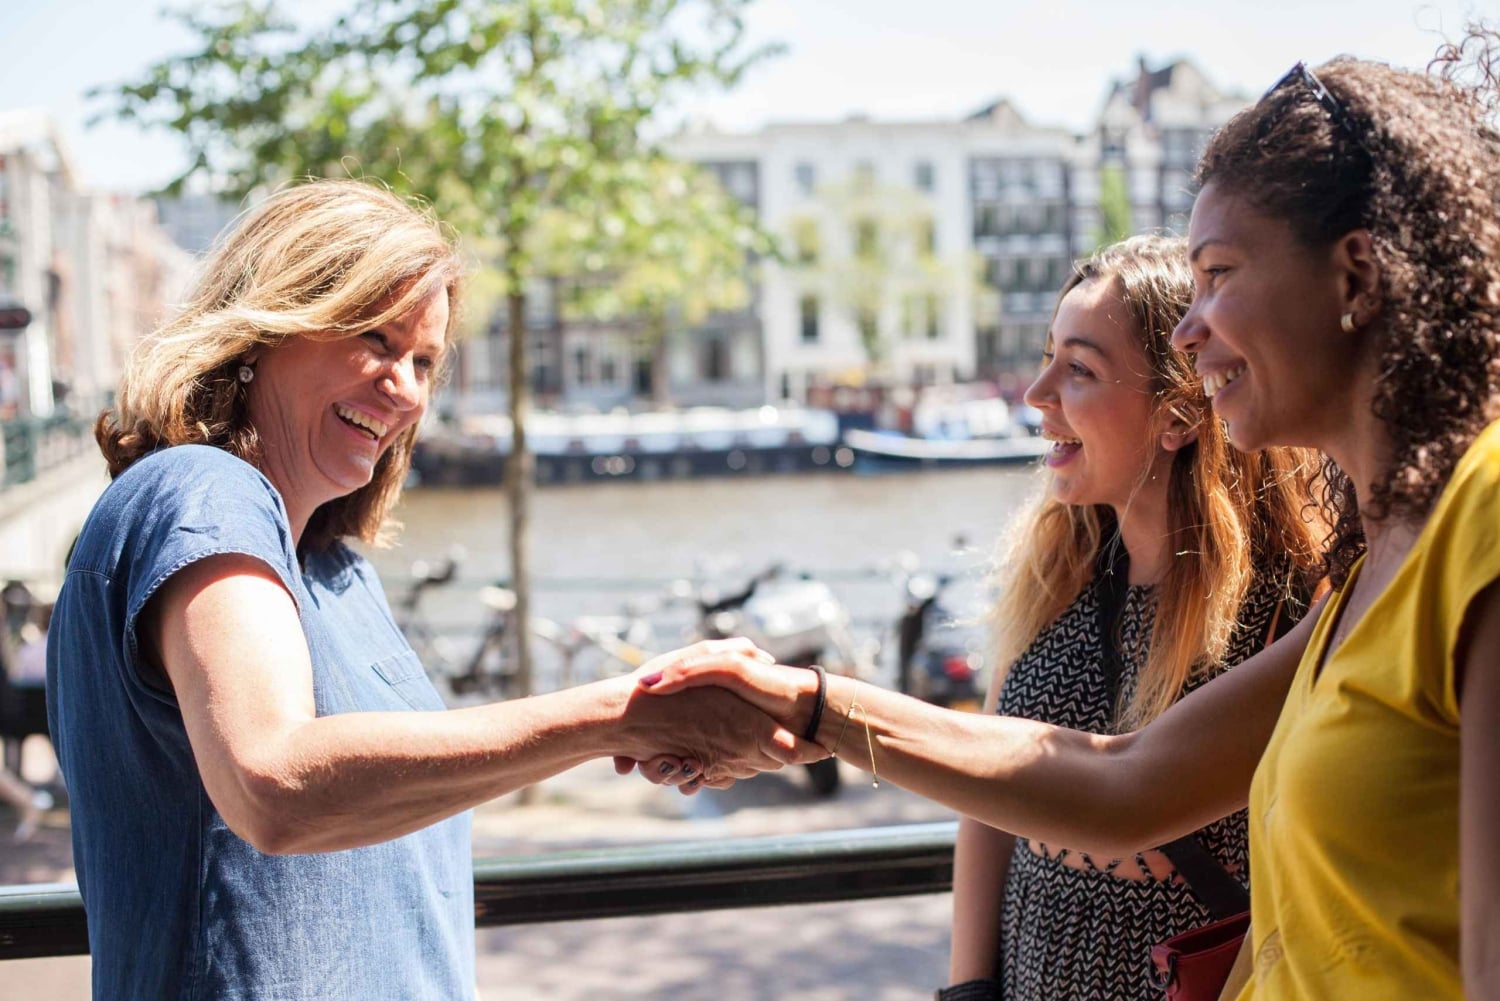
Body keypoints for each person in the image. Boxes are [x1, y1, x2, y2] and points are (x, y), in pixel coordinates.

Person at [635, 35, 1500, 1000]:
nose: (1189, 328)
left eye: (1218, 273)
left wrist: (814, 707)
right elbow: (1122, 784)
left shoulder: (1483, 520)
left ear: (1357, 275)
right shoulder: (1365, 573)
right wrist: (810, 704)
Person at [46, 178, 822, 1000]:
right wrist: (619, 717)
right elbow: (274, 785)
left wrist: (660, 724)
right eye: (375, 340)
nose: (408, 389)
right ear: (267, 327)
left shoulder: (332, 570)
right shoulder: (202, 492)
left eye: (423, 361)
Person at [945, 235, 1321, 1001]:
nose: (1035, 391)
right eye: (1048, 355)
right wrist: (969, 988)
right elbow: (987, 802)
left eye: (1078, 368)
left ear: (1179, 413)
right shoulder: (1054, 573)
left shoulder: (1288, 610)